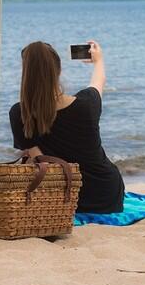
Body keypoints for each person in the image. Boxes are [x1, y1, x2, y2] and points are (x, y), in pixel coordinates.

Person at [9, 40, 125, 214]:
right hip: (105, 196)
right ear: (59, 70)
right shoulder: (86, 105)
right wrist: (98, 61)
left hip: (63, 197)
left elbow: (41, 162)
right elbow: (99, 81)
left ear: (25, 74)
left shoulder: (20, 113)